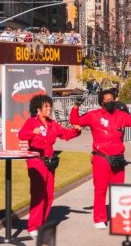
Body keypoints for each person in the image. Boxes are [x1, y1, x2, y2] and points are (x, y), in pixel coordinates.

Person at [70, 88, 131, 228]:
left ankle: (118, 217)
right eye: (107, 100)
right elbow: (75, 121)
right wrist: (76, 106)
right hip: (101, 157)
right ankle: (99, 218)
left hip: (118, 157)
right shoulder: (93, 115)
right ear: (101, 102)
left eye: (112, 99)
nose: (111, 102)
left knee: (118, 189)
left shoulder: (121, 115)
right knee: (100, 188)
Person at [18, 95, 82, 236]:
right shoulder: (31, 122)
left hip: (50, 162)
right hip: (36, 161)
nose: (49, 109)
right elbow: (21, 135)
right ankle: (33, 226)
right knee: (38, 195)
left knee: (49, 195)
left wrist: (76, 130)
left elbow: (65, 134)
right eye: (46, 107)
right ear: (38, 109)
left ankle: (41, 223)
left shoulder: (52, 123)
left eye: (50, 106)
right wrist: (31, 132)